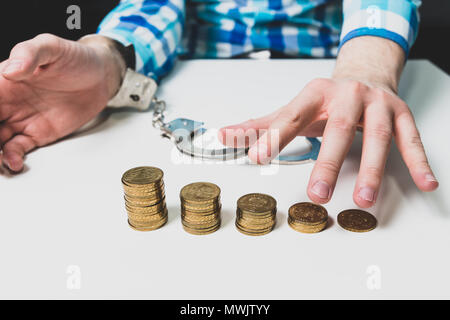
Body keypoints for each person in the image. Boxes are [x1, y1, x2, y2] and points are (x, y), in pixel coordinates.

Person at [0, 0, 438, 208]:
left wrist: (367, 66)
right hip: (192, 70)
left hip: (336, 68)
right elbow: (152, 6)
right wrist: (110, 58)